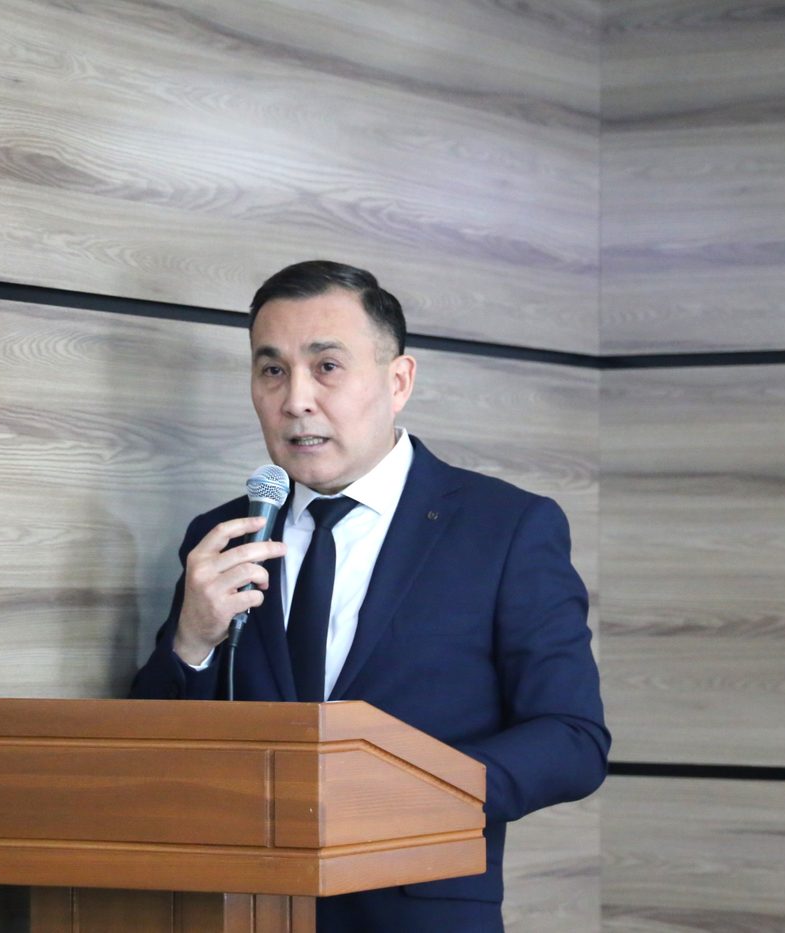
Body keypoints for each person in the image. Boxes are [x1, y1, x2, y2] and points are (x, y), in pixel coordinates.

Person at [130, 260, 609, 932]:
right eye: (272, 370)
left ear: (398, 380)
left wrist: (403, 793)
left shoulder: (505, 528)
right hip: (241, 908)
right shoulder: (224, 536)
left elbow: (572, 739)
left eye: (326, 366)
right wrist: (192, 641)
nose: (296, 399)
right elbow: (148, 754)